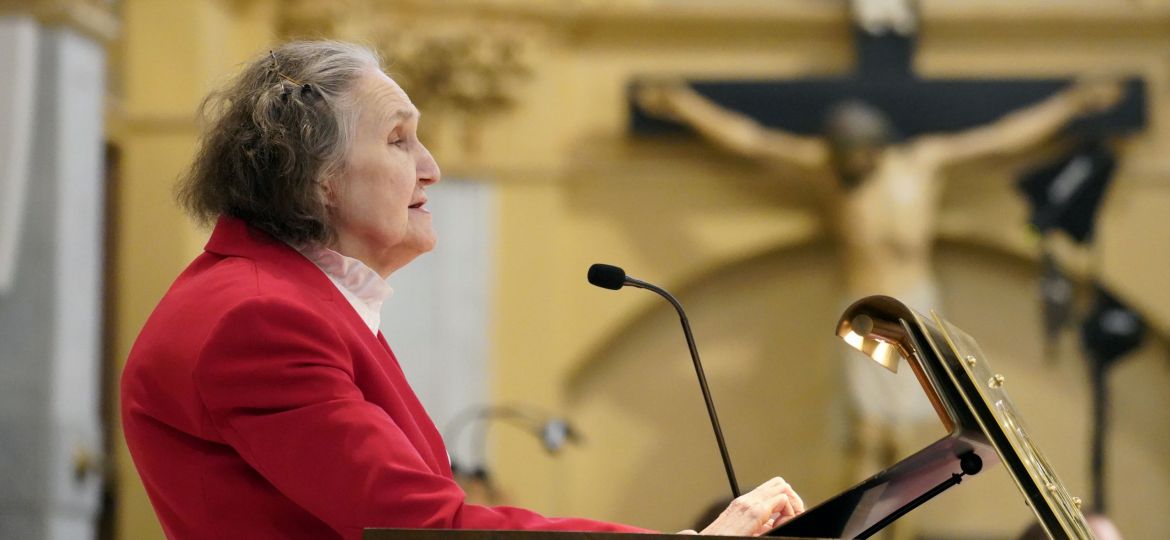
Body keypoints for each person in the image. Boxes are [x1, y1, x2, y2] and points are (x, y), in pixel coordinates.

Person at [121, 41, 804, 540]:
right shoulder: (260, 319)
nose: (431, 169)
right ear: (315, 174)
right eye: (398, 140)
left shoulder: (288, 301)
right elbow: (427, 528)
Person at [637, 78, 1121, 490]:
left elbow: (1000, 139)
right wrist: (683, 104)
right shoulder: (826, 169)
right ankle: (864, 527)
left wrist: (1072, 104)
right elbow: (752, 140)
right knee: (867, 433)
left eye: (856, 157)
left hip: (914, 308)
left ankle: (903, 530)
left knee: (908, 439)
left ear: (876, 147)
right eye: (841, 158)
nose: (849, 167)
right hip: (863, 311)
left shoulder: (921, 164)